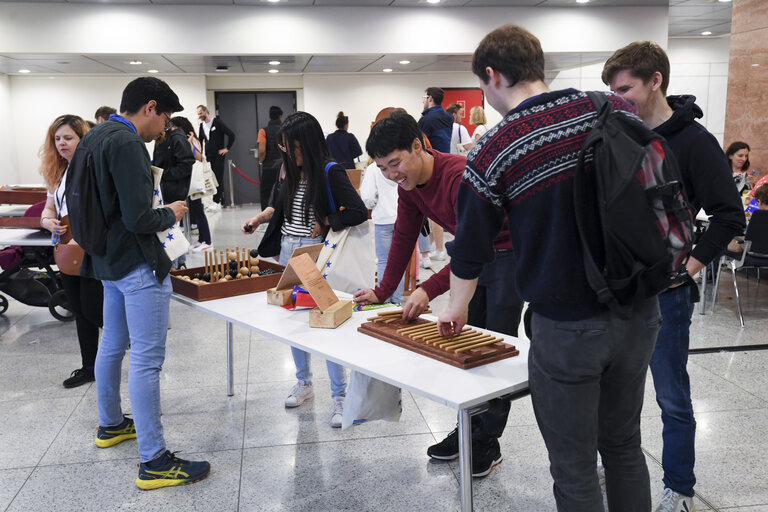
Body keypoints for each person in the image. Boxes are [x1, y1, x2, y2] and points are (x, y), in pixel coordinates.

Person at [437, 25, 661, 510]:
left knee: (576, 469)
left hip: (568, 326)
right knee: (623, 447)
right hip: (639, 309)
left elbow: (470, 250)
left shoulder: (498, 147)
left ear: (491, 76)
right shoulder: (613, 108)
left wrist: (456, 306)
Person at [602, 41, 746, 512]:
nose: (617, 97)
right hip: (617, 288)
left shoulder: (694, 141)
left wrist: (689, 269)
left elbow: (728, 216)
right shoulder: (616, 132)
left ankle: (679, 487)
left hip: (666, 291)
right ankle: (619, 460)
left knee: (671, 395)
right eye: (611, 89)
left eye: (625, 87)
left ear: (655, 80)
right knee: (615, 389)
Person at [353, 112, 523, 477]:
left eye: (395, 163)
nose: (391, 174)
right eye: (382, 168)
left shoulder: (459, 176)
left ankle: (487, 440)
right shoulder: (409, 188)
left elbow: (472, 248)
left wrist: (428, 289)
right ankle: (469, 429)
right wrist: (383, 290)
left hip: (506, 258)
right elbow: (403, 236)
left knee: (493, 352)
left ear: (418, 146)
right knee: (466, 348)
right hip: (474, 260)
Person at [81, 77, 210, 489]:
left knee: (111, 346)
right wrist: (172, 211)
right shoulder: (128, 143)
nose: (165, 127)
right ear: (150, 107)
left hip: (107, 261)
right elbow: (139, 218)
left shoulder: (95, 135)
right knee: (147, 361)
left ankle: (111, 424)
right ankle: (154, 460)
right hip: (137, 264)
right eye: (166, 117)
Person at [241, 111, 367, 428]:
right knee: (294, 321)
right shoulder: (290, 172)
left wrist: (326, 221)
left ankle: (340, 395)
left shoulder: (330, 170)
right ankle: (305, 382)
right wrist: (259, 219)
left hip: (317, 253)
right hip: (288, 250)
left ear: (307, 145)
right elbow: (279, 206)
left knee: (326, 321)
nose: (288, 153)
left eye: (292, 148)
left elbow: (356, 212)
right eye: (284, 147)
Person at [38, 114, 103, 389]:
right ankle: (89, 366)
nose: (62, 144)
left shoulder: (93, 168)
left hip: (90, 248)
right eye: (57, 139)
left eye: (68, 137)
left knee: (93, 309)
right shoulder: (58, 171)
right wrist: (46, 220)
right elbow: (50, 207)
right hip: (66, 249)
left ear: (82, 138)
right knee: (78, 309)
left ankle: (118, 353)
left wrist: (85, 237)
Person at [152, 117, 195, 268]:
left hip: (173, 193)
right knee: (171, 230)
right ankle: (179, 263)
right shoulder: (161, 140)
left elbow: (185, 166)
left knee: (170, 232)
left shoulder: (176, 138)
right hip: (164, 192)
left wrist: (163, 174)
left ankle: (176, 265)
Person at [170, 116, 213, 252]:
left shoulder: (192, 139)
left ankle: (207, 241)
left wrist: (189, 143)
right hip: (190, 183)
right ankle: (202, 240)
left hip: (194, 182)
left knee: (199, 211)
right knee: (196, 211)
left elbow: (199, 157)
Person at [197, 104, 236, 208]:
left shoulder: (217, 123)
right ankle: (214, 200)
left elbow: (231, 134)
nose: (199, 115)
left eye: (200, 113)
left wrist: (227, 148)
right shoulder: (201, 126)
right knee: (211, 178)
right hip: (209, 156)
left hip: (218, 155)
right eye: (198, 114)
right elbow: (200, 141)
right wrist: (199, 154)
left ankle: (217, 201)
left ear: (206, 112)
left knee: (218, 177)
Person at [257, 105, 283, 209]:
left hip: (268, 167)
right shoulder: (285, 129)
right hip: (283, 166)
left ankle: (266, 216)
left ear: (270, 116)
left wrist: (261, 160)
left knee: (266, 193)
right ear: (280, 117)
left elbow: (262, 150)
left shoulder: (263, 131)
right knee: (283, 191)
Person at [417, 87, 453, 154]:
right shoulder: (449, 117)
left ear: (430, 98)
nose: (423, 101)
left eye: (424, 98)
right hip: (445, 158)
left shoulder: (426, 119)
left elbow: (418, 143)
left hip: (432, 160)